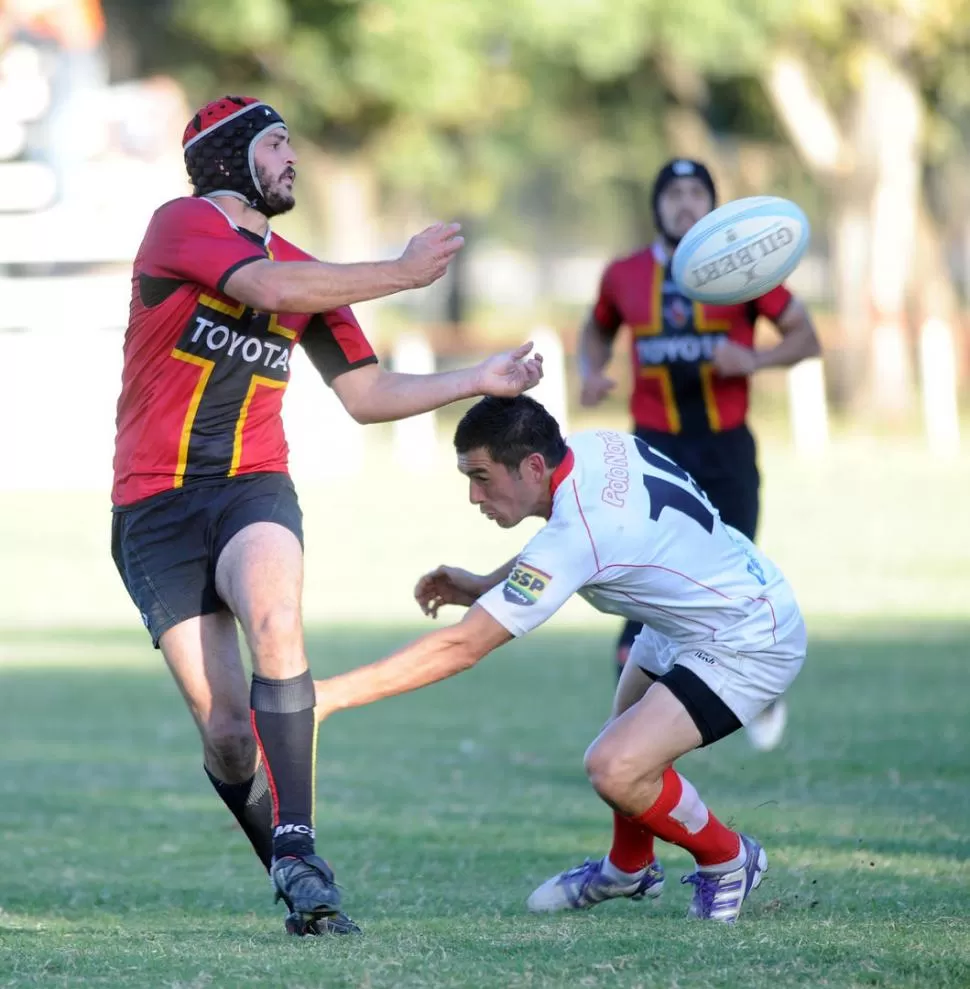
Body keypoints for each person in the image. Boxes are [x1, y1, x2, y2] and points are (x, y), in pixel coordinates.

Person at [110, 95, 543, 938]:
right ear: (232, 159)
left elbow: (366, 394)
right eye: (276, 145)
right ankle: (294, 878)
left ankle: (301, 848)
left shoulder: (306, 272)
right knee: (230, 738)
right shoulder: (182, 224)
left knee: (276, 616)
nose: (292, 159)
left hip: (250, 486)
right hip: (153, 508)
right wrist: (403, 270)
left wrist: (474, 379)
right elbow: (265, 285)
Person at [312, 395, 807, 925]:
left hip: (748, 636)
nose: (474, 496)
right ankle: (628, 868)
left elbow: (464, 645)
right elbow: (562, 543)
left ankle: (727, 859)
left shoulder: (581, 533)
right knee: (629, 750)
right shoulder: (597, 448)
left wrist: (331, 696)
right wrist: (484, 585)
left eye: (481, 477)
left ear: (531, 466)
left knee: (616, 767)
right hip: (697, 608)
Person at [577, 158, 820, 751]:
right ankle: (633, 742)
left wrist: (756, 360)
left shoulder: (745, 269)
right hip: (652, 456)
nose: (685, 203)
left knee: (733, 588)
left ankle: (758, 682)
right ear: (656, 204)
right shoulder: (624, 275)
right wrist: (589, 369)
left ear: (714, 206)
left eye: (697, 193)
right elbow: (595, 329)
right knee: (640, 587)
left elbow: (806, 337)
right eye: (674, 193)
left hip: (726, 451)